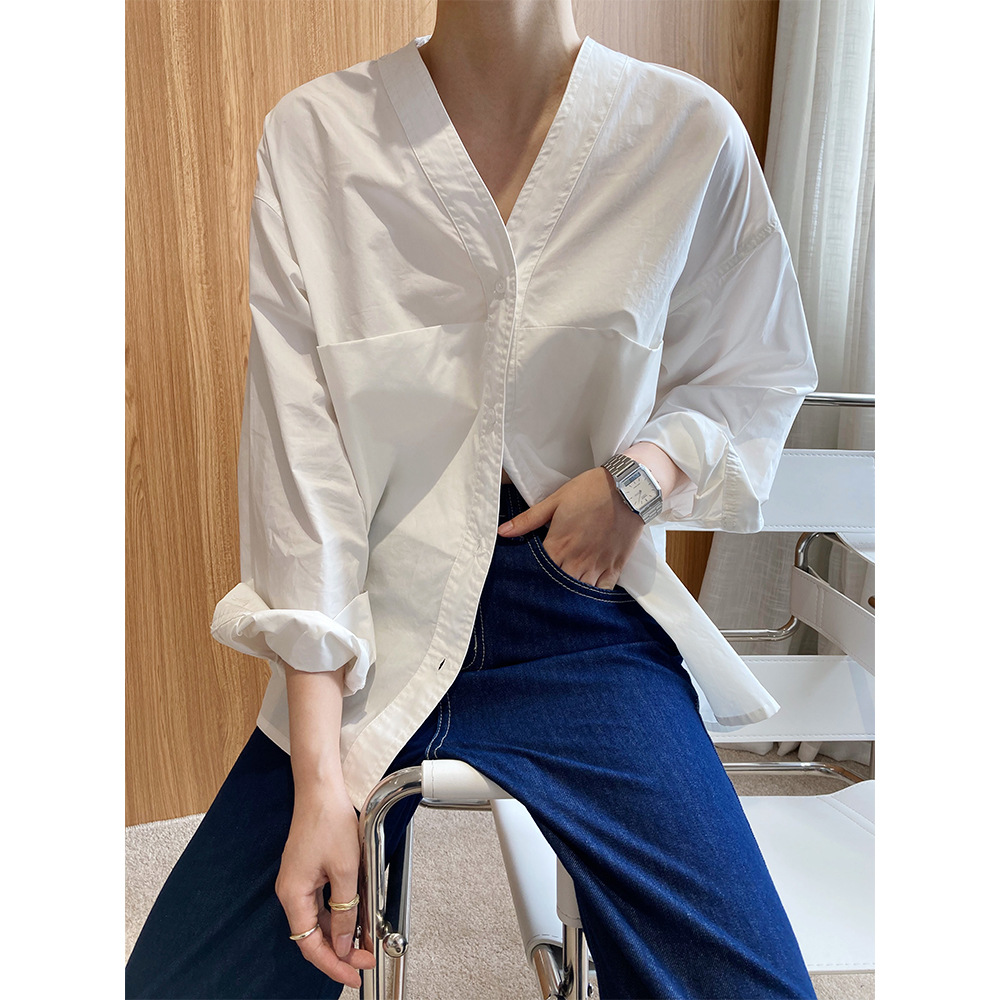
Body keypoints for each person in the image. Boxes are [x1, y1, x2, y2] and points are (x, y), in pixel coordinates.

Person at [126, 1, 820, 997]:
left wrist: (638, 478)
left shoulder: (685, 131)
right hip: (373, 624)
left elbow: (754, 368)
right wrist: (320, 774)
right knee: (180, 982)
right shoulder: (317, 135)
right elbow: (301, 469)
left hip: (582, 615)